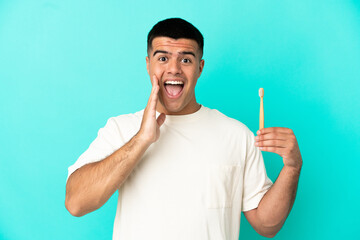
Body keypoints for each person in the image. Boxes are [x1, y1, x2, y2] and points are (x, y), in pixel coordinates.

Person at [65, 18, 303, 239]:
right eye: (163, 58)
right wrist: (141, 140)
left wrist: (292, 168)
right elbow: (76, 203)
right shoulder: (121, 128)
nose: (174, 69)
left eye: (185, 59)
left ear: (200, 68)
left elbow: (267, 225)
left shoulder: (236, 134)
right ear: (148, 65)